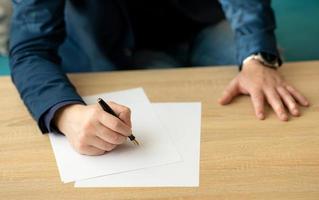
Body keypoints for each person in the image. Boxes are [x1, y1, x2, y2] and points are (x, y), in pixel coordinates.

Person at [9, 0, 309, 156]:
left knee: (265, 76)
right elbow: (30, 48)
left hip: (198, 22)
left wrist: (257, 57)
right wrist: (66, 113)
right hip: (110, 47)